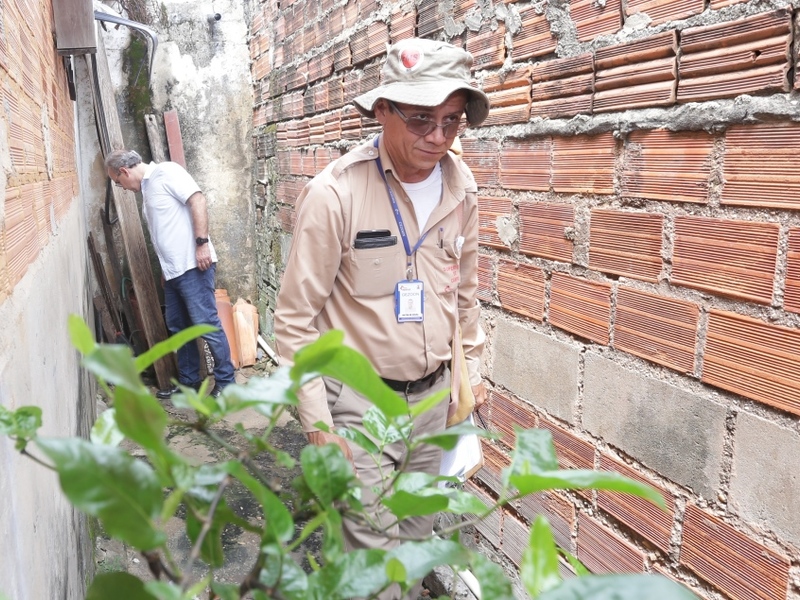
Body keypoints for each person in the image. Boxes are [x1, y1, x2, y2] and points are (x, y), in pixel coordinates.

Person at [273, 38, 489, 599]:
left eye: (452, 122)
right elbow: (295, 320)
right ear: (381, 110)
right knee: (371, 553)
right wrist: (318, 423)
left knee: (417, 542)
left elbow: (463, 294)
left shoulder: (462, 189)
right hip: (359, 408)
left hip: (434, 403)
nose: (438, 138)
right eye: (421, 120)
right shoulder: (336, 194)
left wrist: (474, 371)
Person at [104, 149, 236, 399]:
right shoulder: (148, 188)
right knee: (179, 326)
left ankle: (227, 383)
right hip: (174, 272)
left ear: (124, 171)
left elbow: (197, 200)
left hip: (193, 265)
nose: (120, 187)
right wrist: (166, 271)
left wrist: (202, 244)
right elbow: (166, 231)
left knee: (206, 325)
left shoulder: (167, 172)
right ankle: (189, 384)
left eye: (117, 181)